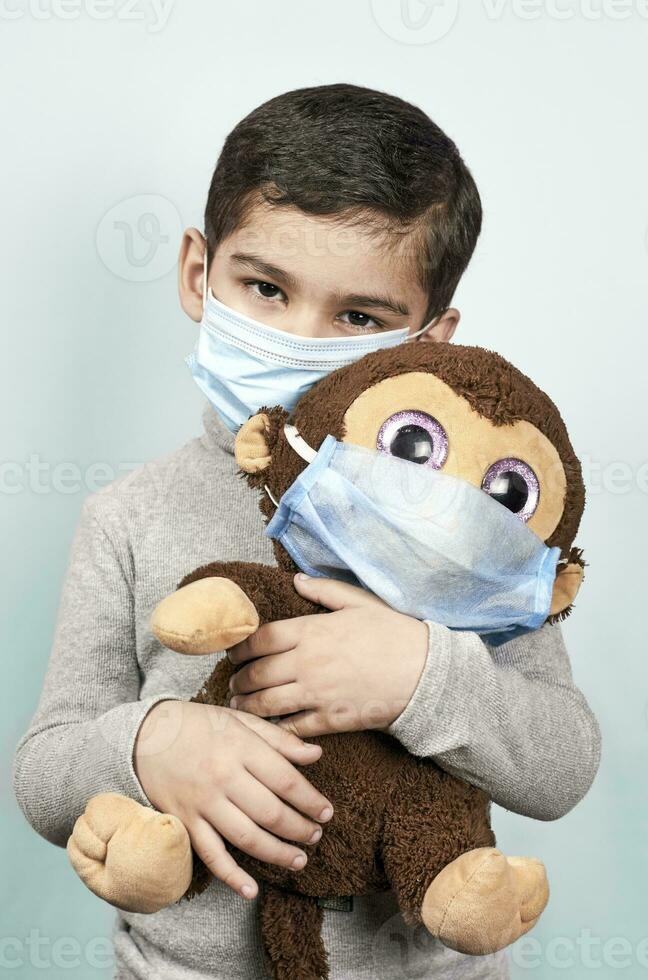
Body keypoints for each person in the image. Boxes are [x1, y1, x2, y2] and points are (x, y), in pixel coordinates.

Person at [12, 83, 601, 980]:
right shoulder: (129, 517)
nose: (296, 339)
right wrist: (149, 743)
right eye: (264, 288)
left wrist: (419, 677)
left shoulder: (471, 532)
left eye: (358, 317)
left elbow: (561, 764)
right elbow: (45, 773)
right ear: (196, 274)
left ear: (431, 344)